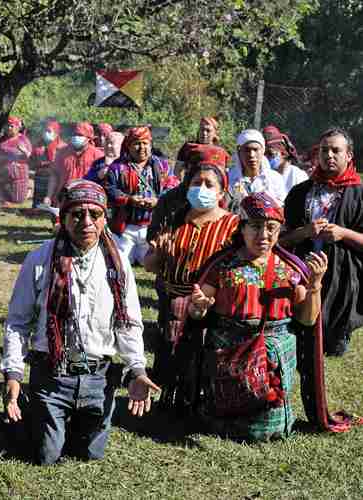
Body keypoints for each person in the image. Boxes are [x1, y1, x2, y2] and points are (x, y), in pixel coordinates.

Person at [0, 180, 159, 465]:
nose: (86, 222)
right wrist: (13, 374)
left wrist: (137, 369)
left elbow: (129, 323)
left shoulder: (118, 263)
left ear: (104, 217)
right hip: (51, 375)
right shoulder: (40, 259)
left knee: (89, 455)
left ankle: (69, 419)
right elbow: (17, 322)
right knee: (46, 456)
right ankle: (39, 412)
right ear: (64, 218)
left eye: (94, 214)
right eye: (77, 214)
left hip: (98, 379)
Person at [187, 192, 329, 440]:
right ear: (241, 229)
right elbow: (197, 312)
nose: (263, 235)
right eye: (255, 227)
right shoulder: (222, 266)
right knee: (225, 407)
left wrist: (315, 284)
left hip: (275, 349)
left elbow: (307, 320)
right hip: (228, 350)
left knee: (269, 424)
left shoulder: (292, 270)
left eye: (272, 228)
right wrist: (199, 307)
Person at [144, 148, 238, 412]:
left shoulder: (232, 225)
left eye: (210, 184)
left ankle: (198, 403)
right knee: (169, 351)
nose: (202, 188)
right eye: (197, 183)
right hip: (172, 300)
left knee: (199, 356)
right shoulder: (175, 219)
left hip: (209, 306)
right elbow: (150, 265)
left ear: (221, 193)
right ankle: (169, 402)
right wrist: (160, 253)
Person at [281, 127, 363, 356]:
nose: (329, 155)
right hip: (301, 273)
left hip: (342, 278)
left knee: (332, 347)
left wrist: (343, 233)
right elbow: (281, 240)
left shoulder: (359, 194)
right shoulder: (300, 192)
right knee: (299, 340)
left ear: (348, 155)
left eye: (336, 150)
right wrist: (305, 232)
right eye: (324, 150)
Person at [105, 126, 166, 265]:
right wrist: (129, 199)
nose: (141, 147)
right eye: (136, 143)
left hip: (153, 225)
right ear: (128, 146)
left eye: (145, 143)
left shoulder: (161, 165)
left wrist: (158, 201)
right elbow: (109, 188)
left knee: (153, 262)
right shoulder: (117, 167)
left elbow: (171, 186)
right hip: (126, 226)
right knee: (119, 262)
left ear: (151, 145)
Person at [44, 122, 103, 205]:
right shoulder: (62, 152)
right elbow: (54, 176)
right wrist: (48, 196)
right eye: (74, 134)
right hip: (64, 199)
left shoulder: (97, 155)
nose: (76, 137)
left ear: (89, 138)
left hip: (87, 199)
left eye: (80, 135)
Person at [228, 129, 286, 205]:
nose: (252, 155)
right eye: (247, 150)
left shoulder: (275, 179)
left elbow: (281, 209)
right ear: (239, 152)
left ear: (262, 151)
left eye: (255, 150)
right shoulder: (229, 179)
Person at [0, 116, 32, 207]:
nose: (8, 128)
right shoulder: (2, 139)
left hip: (17, 176)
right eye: (7, 126)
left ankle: (26, 192)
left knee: (16, 200)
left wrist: (25, 152)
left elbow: (30, 158)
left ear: (17, 127)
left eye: (11, 126)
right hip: (1, 174)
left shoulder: (23, 140)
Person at [31, 120, 66, 207]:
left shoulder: (63, 147)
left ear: (56, 133)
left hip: (55, 179)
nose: (46, 133)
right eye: (45, 131)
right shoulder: (38, 146)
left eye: (49, 131)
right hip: (40, 177)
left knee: (53, 201)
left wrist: (47, 164)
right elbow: (32, 161)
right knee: (38, 204)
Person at [263, 125, 308, 192]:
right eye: (265, 155)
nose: (267, 159)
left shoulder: (297, 175)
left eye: (270, 154)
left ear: (283, 153)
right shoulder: (265, 175)